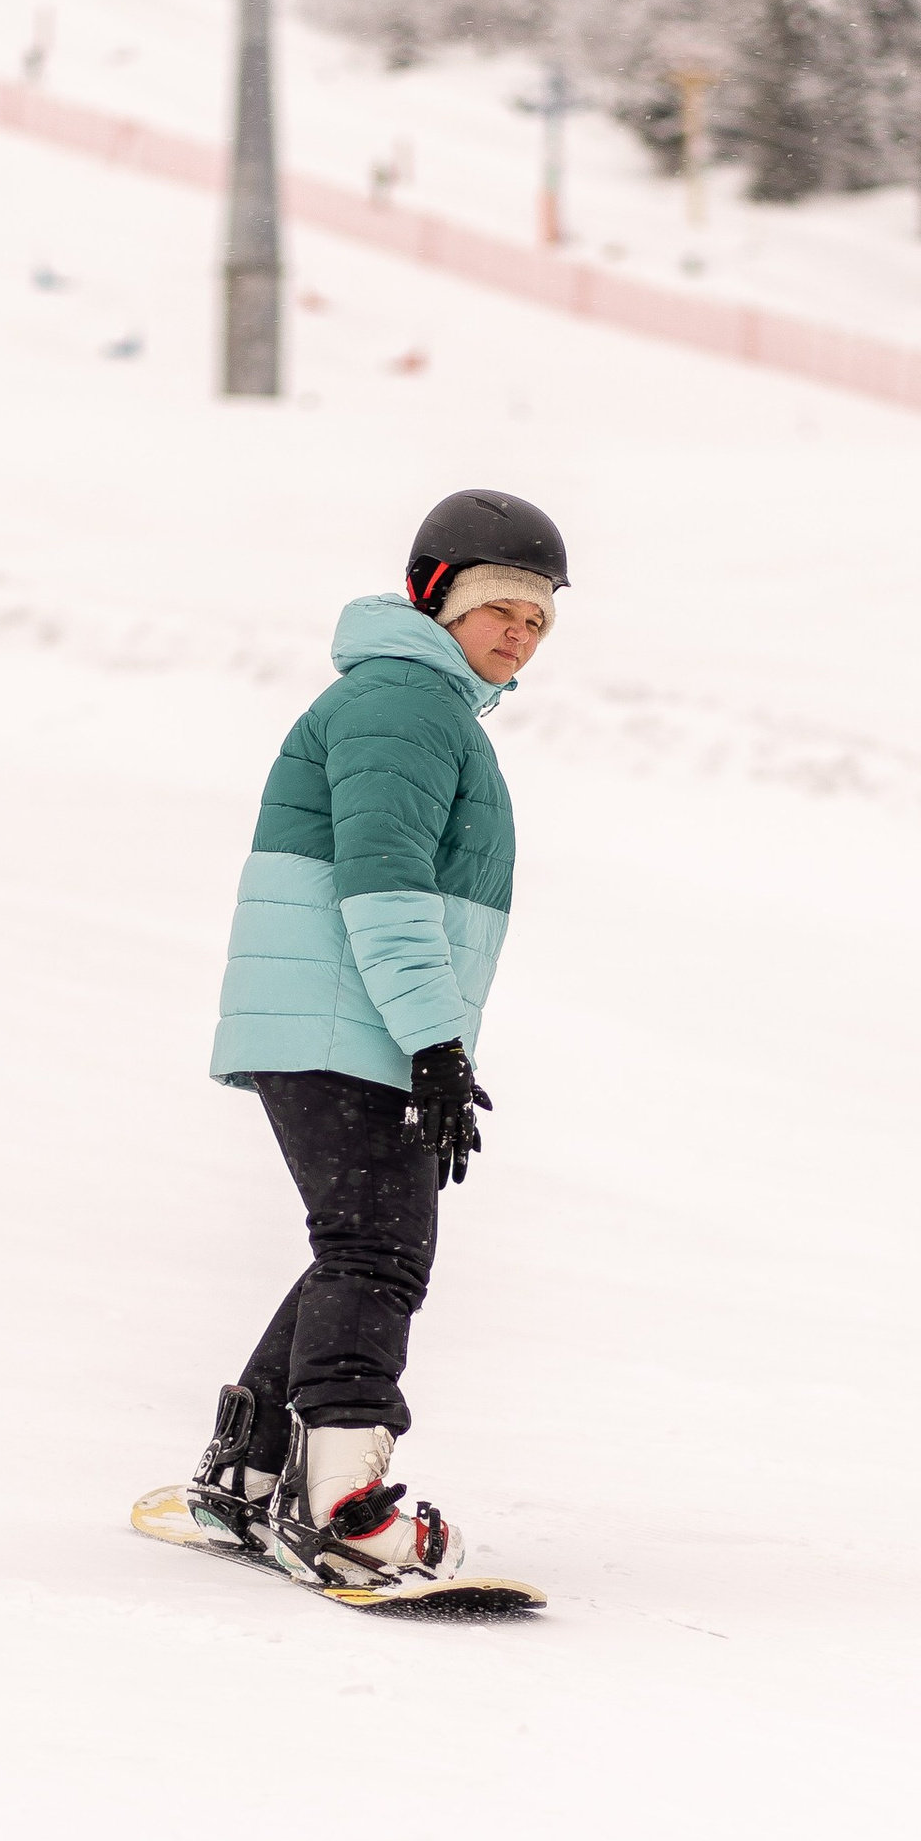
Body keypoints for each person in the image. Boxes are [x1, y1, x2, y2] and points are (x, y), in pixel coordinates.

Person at [185, 486, 569, 1596]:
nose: (519, 635)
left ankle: (252, 1474)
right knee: (378, 1252)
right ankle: (340, 1506)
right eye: (501, 607)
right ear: (434, 593)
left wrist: (431, 1046)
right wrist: (438, 1046)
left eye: (538, 621)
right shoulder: (405, 703)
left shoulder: (417, 705)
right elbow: (388, 892)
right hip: (348, 1024)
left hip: (346, 1023)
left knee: (356, 1244)